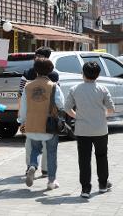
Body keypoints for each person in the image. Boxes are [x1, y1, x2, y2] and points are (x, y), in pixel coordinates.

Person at [65, 61, 115, 199]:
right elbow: (111, 109)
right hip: (100, 129)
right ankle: (103, 185)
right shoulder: (103, 89)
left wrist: (77, 116)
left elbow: (67, 108)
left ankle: (85, 189)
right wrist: (102, 116)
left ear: (83, 74)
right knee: (102, 156)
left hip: (82, 130)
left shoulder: (74, 89)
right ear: (98, 75)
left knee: (84, 160)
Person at [18, 58, 64, 190]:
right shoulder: (54, 86)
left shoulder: (28, 86)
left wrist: (21, 121)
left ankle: (32, 165)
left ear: (35, 70)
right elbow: (61, 104)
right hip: (48, 126)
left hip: (32, 124)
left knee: (35, 149)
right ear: (50, 71)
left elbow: (23, 109)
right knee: (51, 152)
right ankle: (51, 181)